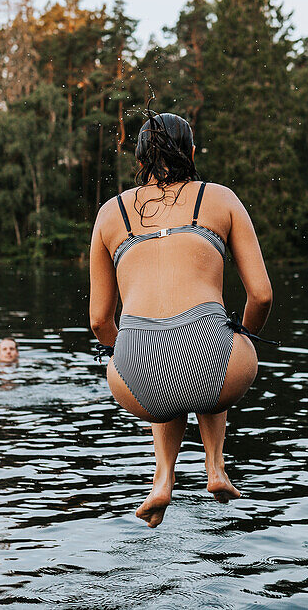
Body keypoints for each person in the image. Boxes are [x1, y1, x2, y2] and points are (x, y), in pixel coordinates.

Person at [89, 112, 273, 528]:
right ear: (191, 152)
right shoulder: (221, 198)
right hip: (218, 363)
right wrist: (244, 335)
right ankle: (214, 467)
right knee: (215, 331)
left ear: (138, 161)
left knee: (163, 352)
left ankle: (162, 477)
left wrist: (134, 351)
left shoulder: (108, 214)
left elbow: (100, 321)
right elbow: (261, 295)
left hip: (136, 375)